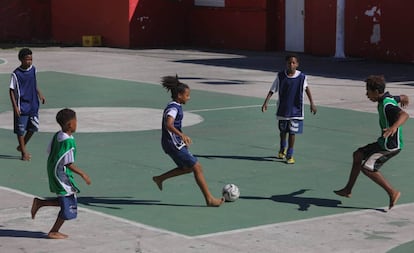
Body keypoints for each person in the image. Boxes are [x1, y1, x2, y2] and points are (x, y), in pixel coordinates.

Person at [334, 75, 409, 210]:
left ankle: (392, 192)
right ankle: (348, 189)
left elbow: (404, 115)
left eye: (368, 91)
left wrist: (393, 127)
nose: (366, 94)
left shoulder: (387, 105)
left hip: (390, 146)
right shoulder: (387, 98)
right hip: (383, 141)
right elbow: (400, 97)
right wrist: (404, 98)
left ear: (376, 91)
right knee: (357, 155)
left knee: (367, 168)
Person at [152, 76, 224, 207]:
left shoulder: (174, 105)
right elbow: (169, 124)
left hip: (172, 143)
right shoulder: (174, 108)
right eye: (187, 95)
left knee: (187, 168)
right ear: (179, 95)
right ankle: (210, 199)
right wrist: (182, 135)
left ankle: (160, 178)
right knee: (197, 167)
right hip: (173, 143)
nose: (189, 97)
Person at [31, 108, 91, 239]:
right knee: (69, 204)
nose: (77, 123)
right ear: (70, 124)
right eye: (76, 121)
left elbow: (49, 151)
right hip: (60, 175)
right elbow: (68, 163)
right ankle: (54, 230)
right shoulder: (69, 142)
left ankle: (40, 203)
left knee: (66, 200)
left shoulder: (58, 135)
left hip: (53, 170)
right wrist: (83, 174)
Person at [261, 54, 317, 164]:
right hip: (283, 110)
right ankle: (282, 148)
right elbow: (272, 90)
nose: (291, 64)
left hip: (296, 110)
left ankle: (290, 154)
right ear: (286, 64)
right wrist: (265, 103)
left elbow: (306, 89)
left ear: (297, 64)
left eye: (293, 63)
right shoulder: (280, 76)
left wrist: (312, 103)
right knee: (283, 131)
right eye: (289, 63)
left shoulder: (302, 77)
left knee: (292, 132)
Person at [9, 48, 46, 161]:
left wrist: (40, 94)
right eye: (27, 59)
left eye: (31, 59)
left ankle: (21, 146)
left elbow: (34, 83)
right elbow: (11, 91)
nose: (29, 61)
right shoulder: (16, 74)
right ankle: (24, 153)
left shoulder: (33, 70)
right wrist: (15, 107)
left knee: (33, 128)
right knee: (21, 131)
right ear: (21, 59)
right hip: (22, 105)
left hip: (33, 104)